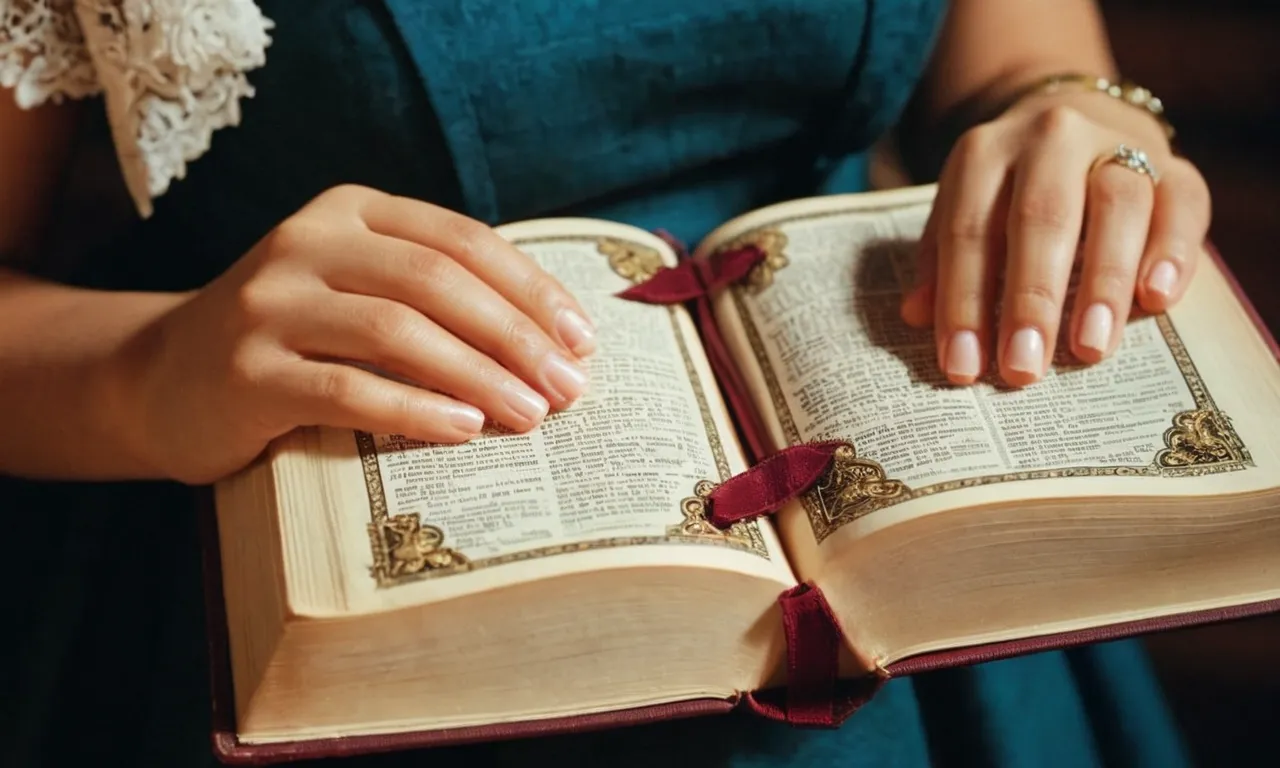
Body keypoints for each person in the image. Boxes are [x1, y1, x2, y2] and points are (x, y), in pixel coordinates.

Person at [0, 0, 1204, 765]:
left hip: (916, 575)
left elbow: (1028, 57)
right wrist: (154, 371)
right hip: (325, 586)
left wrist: (1079, 118)